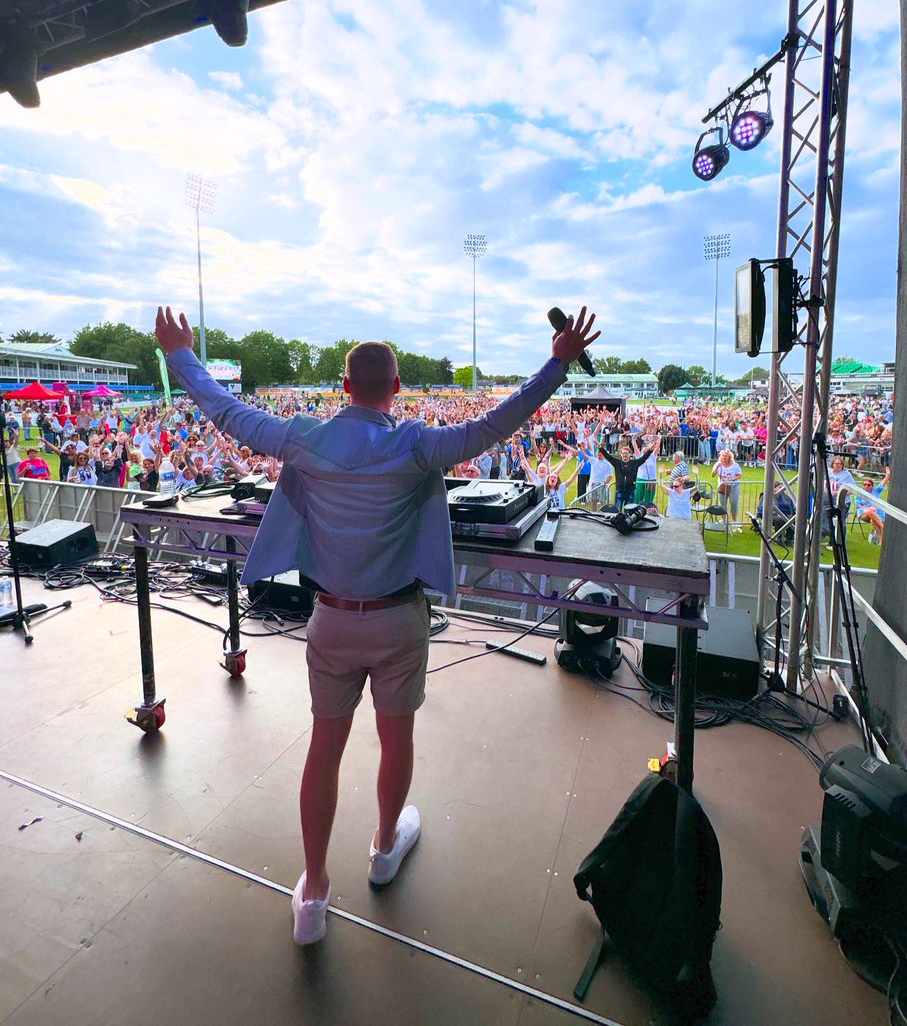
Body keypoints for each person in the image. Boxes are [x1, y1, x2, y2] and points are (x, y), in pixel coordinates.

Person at [155, 303, 600, 946]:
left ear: (343, 387)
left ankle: (312, 890)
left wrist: (179, 353)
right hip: (399, 623)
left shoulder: (302, 436)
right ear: (395, 389)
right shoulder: (417, 444)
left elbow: (224, 409)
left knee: (324, 750)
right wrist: (556, 364)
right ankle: (385, 849)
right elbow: (498, 423)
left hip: (331, 621)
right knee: (396, 740)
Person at [855, 466, 889, 544]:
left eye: (868, 485)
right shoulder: (860, 493)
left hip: (876, 514)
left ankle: (881, 541)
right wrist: (868, 508)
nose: (866, 486)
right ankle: (883, 528)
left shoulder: (876, 491)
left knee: (873, 522)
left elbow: (885, 480)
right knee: (871, 511)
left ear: (872, 486)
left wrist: (888, 474)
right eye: (864, 484)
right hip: (863, 513)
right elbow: (858, 506)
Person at [711, 448, 743, 528]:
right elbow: (713, 475)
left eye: (726, 456)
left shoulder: (735, 465)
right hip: (722, 486)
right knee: (722, 504)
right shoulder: (718, 464)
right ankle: (723, 520)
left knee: (734, 504)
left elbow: (740, 475)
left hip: (733, 487)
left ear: (729, 457)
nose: (724, 457)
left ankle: (735, 521)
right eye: (723, 456)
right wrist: (716, 468)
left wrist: (733, 478)